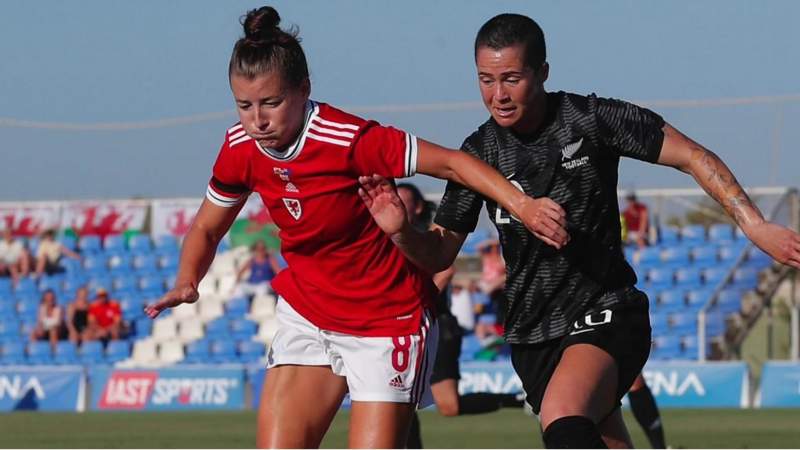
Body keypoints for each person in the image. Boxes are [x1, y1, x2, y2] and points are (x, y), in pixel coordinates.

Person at [358, 13, 800, 449]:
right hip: (531, 334)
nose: (498, 95)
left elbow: (693, 156)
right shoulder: (478, 153)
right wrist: (401, 233)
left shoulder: (591, 120)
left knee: (564, 418)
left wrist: (755, 225)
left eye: (511, 78)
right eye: (485, 80)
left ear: (543, 72)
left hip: (608, 310)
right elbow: (439, 254)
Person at [143, 7, 565, 449]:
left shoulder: (347, 139)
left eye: (271, 103)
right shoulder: (239, 148)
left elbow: (455, 164)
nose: (258, 120)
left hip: (386, 322)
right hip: (308, 315)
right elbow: (208, 229)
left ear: (304, 90)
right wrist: (188, 280)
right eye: (244, 105)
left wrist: (523, 205)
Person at [396, 183, 524, 449]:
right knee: (397, 400)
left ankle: (519, 399)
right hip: (401, 328)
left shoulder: (428, 236)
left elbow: (448, 271)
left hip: (436, 326)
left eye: (403, 199)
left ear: (418, 206)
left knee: (447, 405)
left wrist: (415, 304)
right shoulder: (388, 239)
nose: (395, 202)